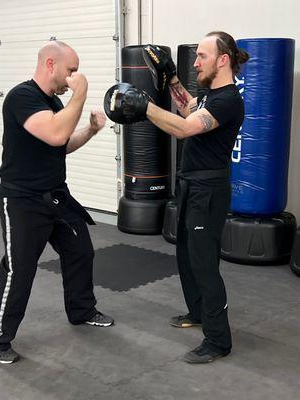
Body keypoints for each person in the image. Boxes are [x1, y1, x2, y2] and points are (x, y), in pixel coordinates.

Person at [104, 31, 249, 363]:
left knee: (204, 263)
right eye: (195, 56)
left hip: (208, 192)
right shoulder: (210, 95)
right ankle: (197, 313)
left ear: (223, 60)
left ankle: (218, 340)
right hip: (190, 186)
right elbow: (188, 110)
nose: (196, 62)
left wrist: (145, 107)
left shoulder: (228, 99)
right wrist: (170, 76)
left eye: (202, 56)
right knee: (185, 255)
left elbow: (185, 129)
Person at [0, 40, 114, 364]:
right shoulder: (21, 97)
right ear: (51, 65)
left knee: (81, 251)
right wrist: (81, 93)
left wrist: (92, 130)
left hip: (56, 196)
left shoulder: (54, 104)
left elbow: (61, 145)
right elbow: (55, 134)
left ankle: (81, 311)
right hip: (22, 200)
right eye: (71, 71)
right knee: (19, 270)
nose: (74, 78)